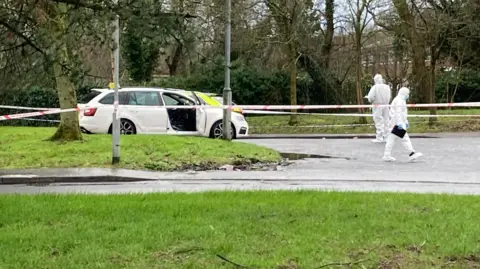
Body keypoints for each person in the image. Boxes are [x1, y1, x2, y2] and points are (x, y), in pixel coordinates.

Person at [382, 87, 423, 162]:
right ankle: (411, 153)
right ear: (404, 93)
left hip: (395, 123)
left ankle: (386, 155)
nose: (408, 95)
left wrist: (405, 121)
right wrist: (400, 123)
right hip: (397, 123)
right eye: (407, 94)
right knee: (405, 138)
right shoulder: (399, 101)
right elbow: (399, 113)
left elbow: (402, 113)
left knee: (391, 139)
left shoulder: (399, 100)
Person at [366, 74, 392, 143]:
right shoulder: (387, 87)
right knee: (386, 121)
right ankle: (386, 137)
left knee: (378, 121)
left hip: (377, 106)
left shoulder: (375, 87)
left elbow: (371, 97)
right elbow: (389, 97)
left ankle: (379, 137)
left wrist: (369, 100)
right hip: (386, 106)